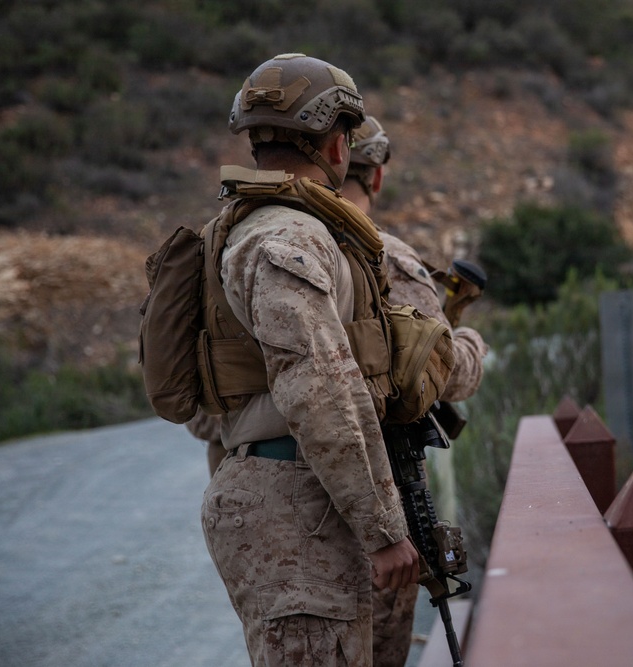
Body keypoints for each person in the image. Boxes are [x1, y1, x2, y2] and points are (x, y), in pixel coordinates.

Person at [199, 54, 418, 667]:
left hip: (304, 498)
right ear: (337, 143)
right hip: (296, 509)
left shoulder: (271, 227)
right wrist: (382, 529)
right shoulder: (287, 238)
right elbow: (316, 386)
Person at [344, 116, 488, 667]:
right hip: (372, 499)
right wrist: (470, 342)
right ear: (376, 176)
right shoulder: (382, 253)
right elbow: (445, 373)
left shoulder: (254, 242)